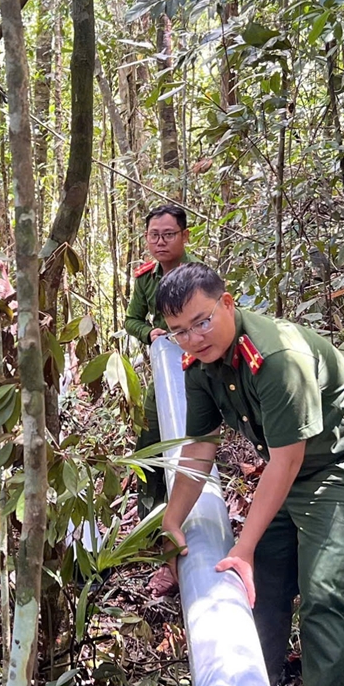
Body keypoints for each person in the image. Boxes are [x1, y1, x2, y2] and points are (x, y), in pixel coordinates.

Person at [154, 262, 344, 686]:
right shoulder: (199, 365)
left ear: (228, 304)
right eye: (180, 331)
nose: (194, 337)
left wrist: (240, 545)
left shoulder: (276, 359)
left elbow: (284, 462)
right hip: (298, 467)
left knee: (325, 593)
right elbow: (199, 449)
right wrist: (172, 522)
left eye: (202, 321)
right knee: (263, 582)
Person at [123, 205, 197, 517]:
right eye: (155, 236)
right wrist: (150, 333)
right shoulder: (145, 278)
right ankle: (151, 518)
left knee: (190, 443)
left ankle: (189, 514)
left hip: (199, 368)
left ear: (184, 236)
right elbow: (131, 320)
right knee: (150, 442)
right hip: (165, 371)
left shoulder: (198, 276)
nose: (161, 242)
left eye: (168, 235)